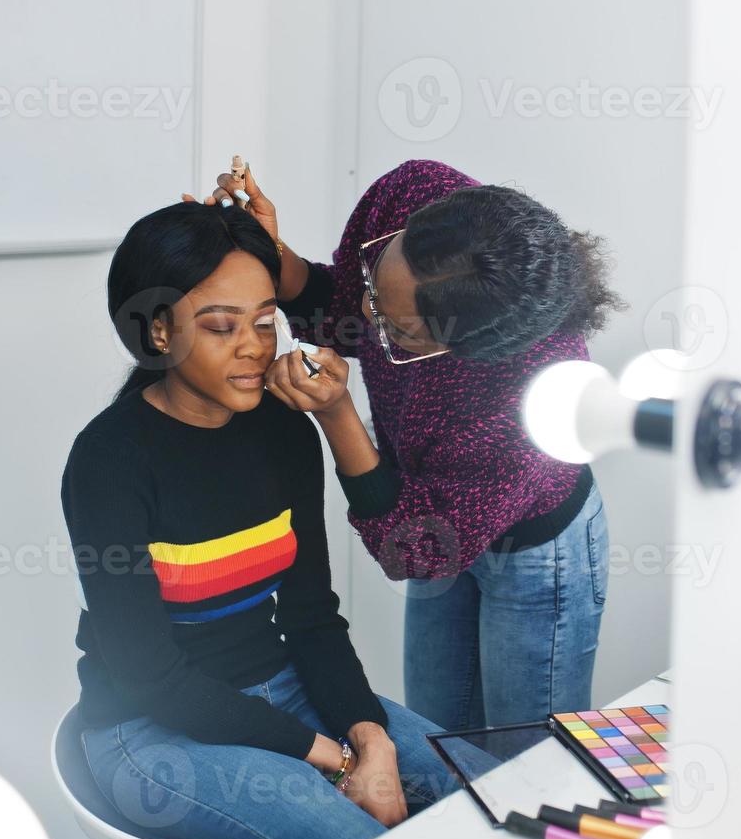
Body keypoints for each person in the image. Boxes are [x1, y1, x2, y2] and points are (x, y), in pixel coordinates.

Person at [61, 201, 457, 839]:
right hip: (149, 727)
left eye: (266, 322)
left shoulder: (283, 432)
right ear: (160, 331)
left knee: (479, 792)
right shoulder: (109, 460)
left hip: (285, 692)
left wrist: (371, 737)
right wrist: (337, 759)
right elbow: (150, 676)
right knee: (357, 838)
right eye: (221, 327)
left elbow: (311, 617)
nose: (254, 347)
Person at [199, 159, 624, 732]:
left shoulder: (534, 400)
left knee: (521, 767)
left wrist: (337, 412)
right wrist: (275, 257)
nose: (371, 320)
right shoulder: (412, 192)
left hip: (534, 555)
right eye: (379, 282)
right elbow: (349, 309)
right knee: (442, 737)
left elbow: (413, 550)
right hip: (431, 515)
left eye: (396, 331)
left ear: (468, 349)